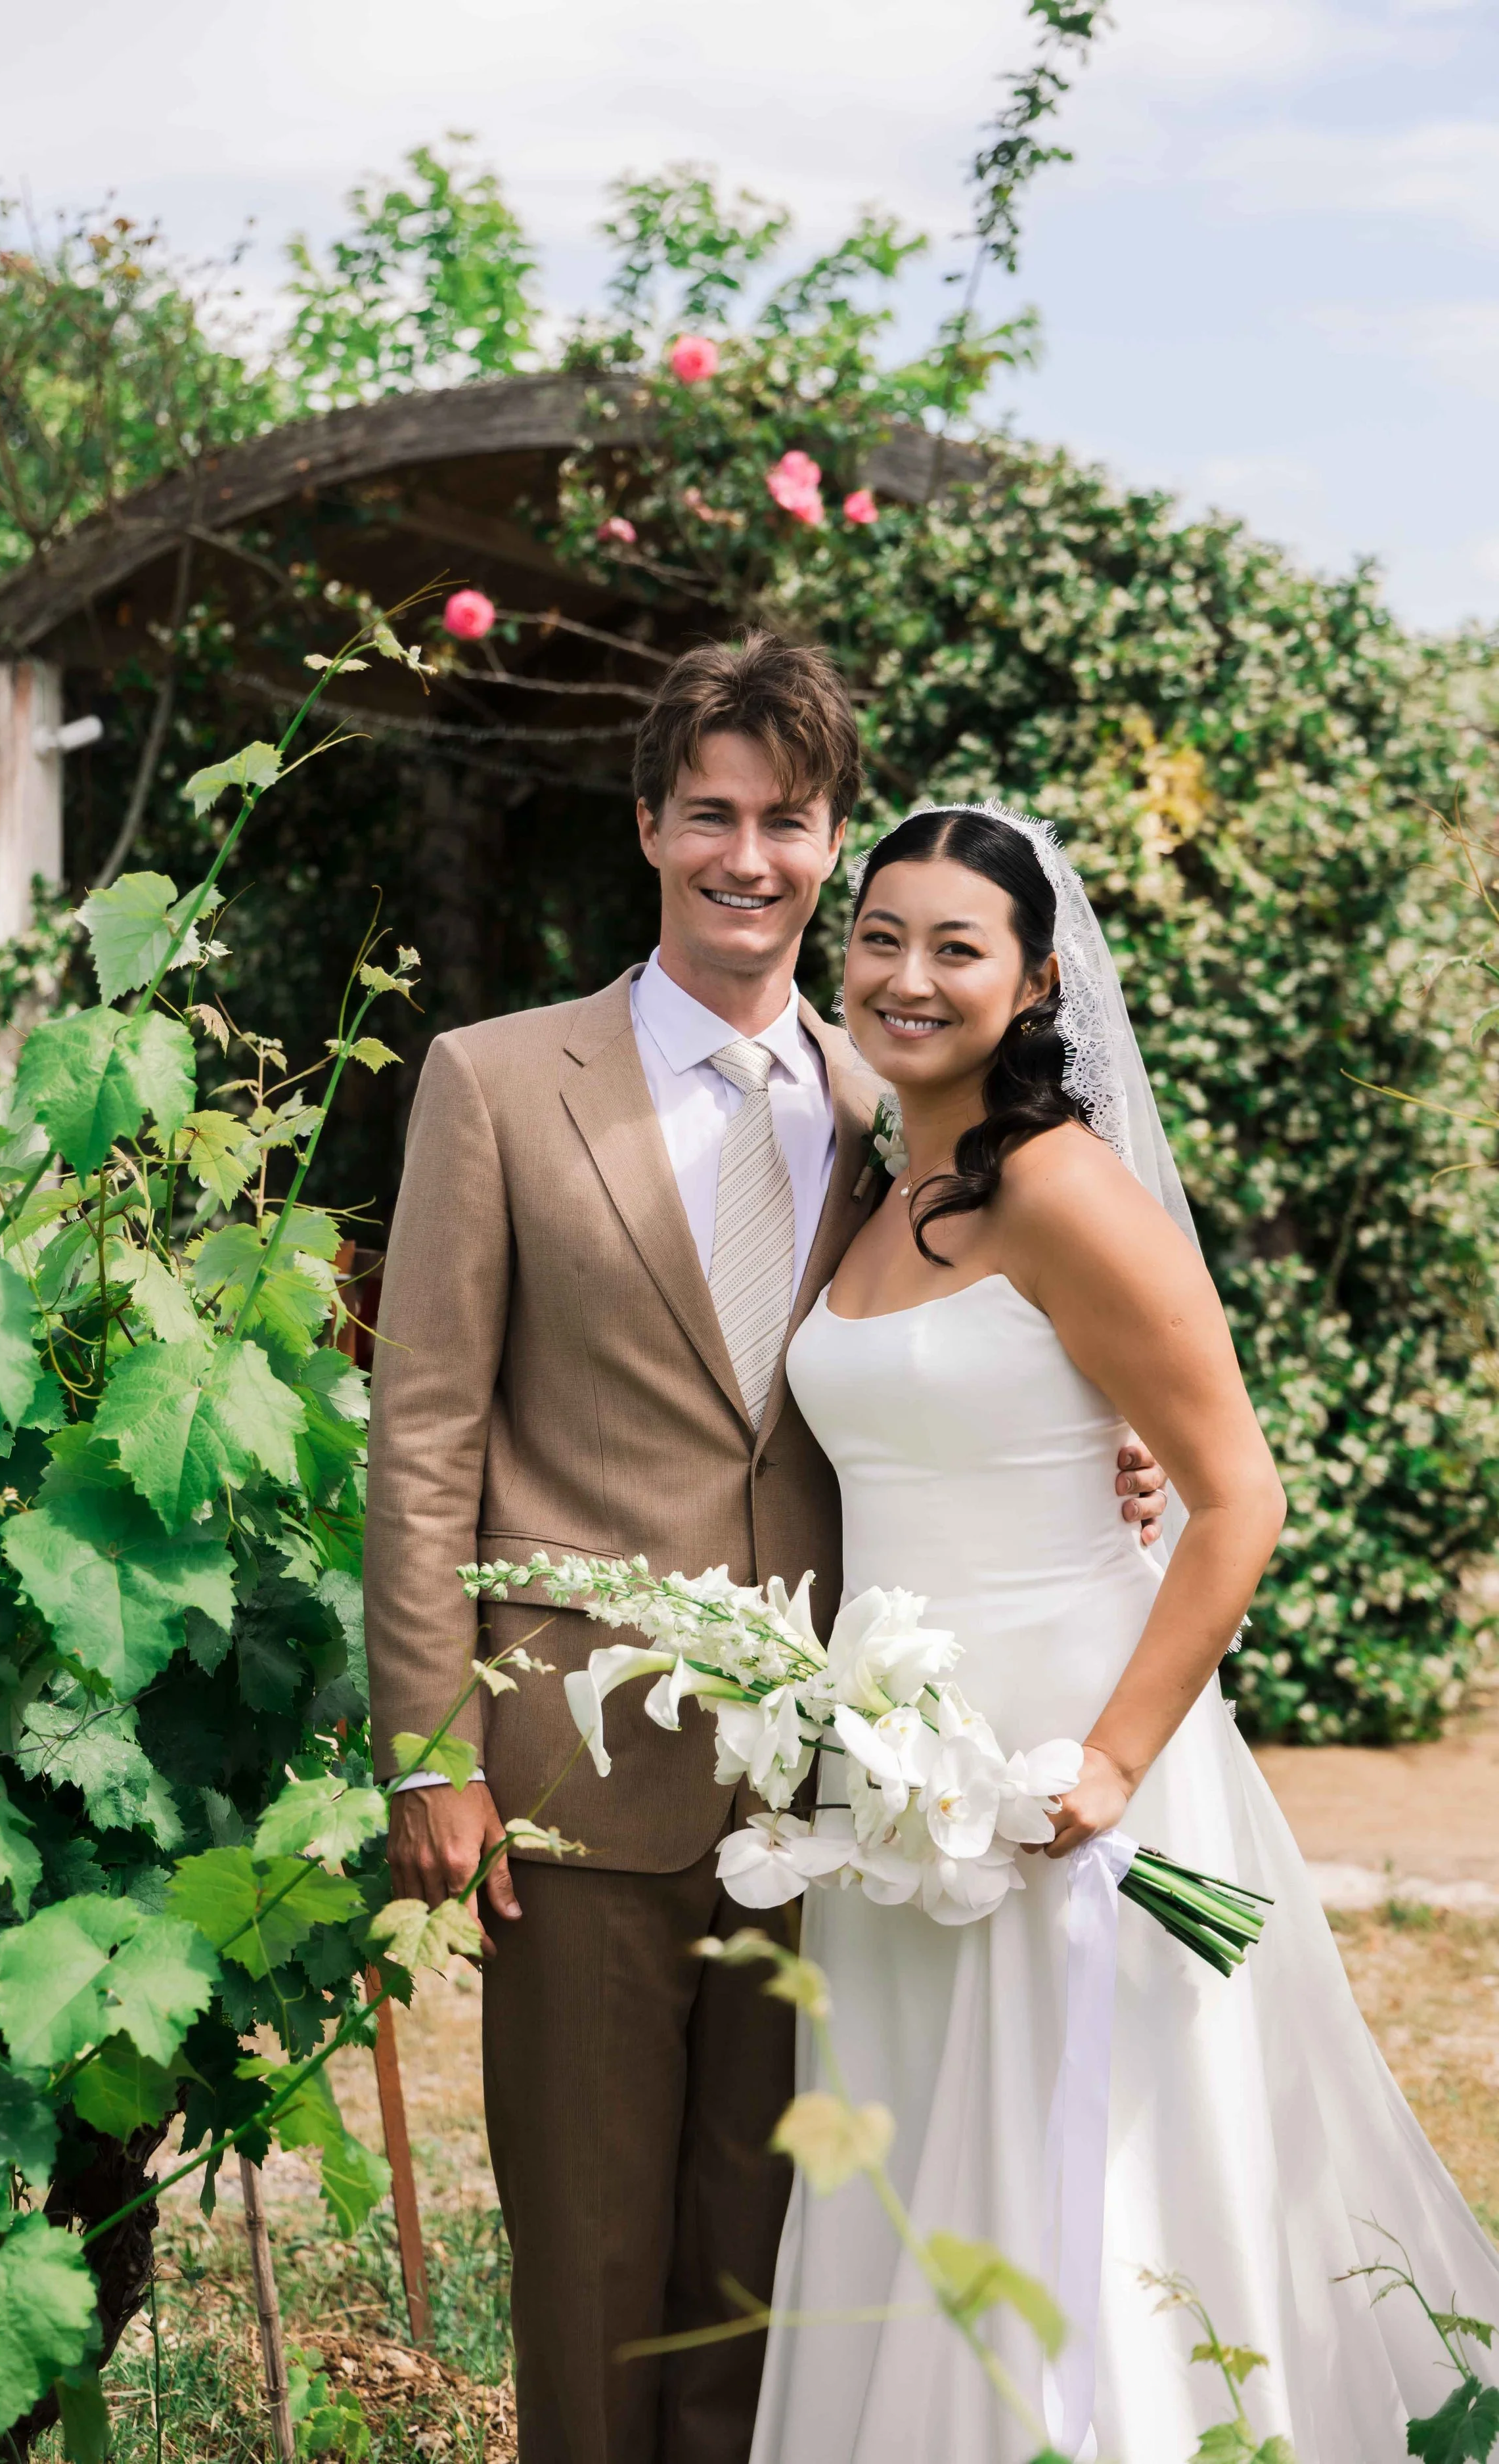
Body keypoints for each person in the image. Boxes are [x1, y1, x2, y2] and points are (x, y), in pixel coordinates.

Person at [361, 638, 1169, 2464]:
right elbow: (420, 1439)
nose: (750, 855)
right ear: (646, 824)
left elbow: (999, 1330)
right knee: (585, 2249)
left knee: (772, 2253)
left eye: (789, 821)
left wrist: (1102, 1442)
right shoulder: (492, 1081)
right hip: (570, 1762)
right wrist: (428, 1743)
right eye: (710, 812)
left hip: (843, 1786)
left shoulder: (895, 1099)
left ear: (829, 845)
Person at [751, 803, 1499, 2464]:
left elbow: (1237, 1494)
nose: (906, 975)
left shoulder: (1060, 1190)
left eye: (958, 948)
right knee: (917, 2150)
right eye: (880, 936)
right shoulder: (882, 1174)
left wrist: (1106, 1760)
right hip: (889, 1779)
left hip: (1062, 1769)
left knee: (1088, 2174)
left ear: (1032, 988)